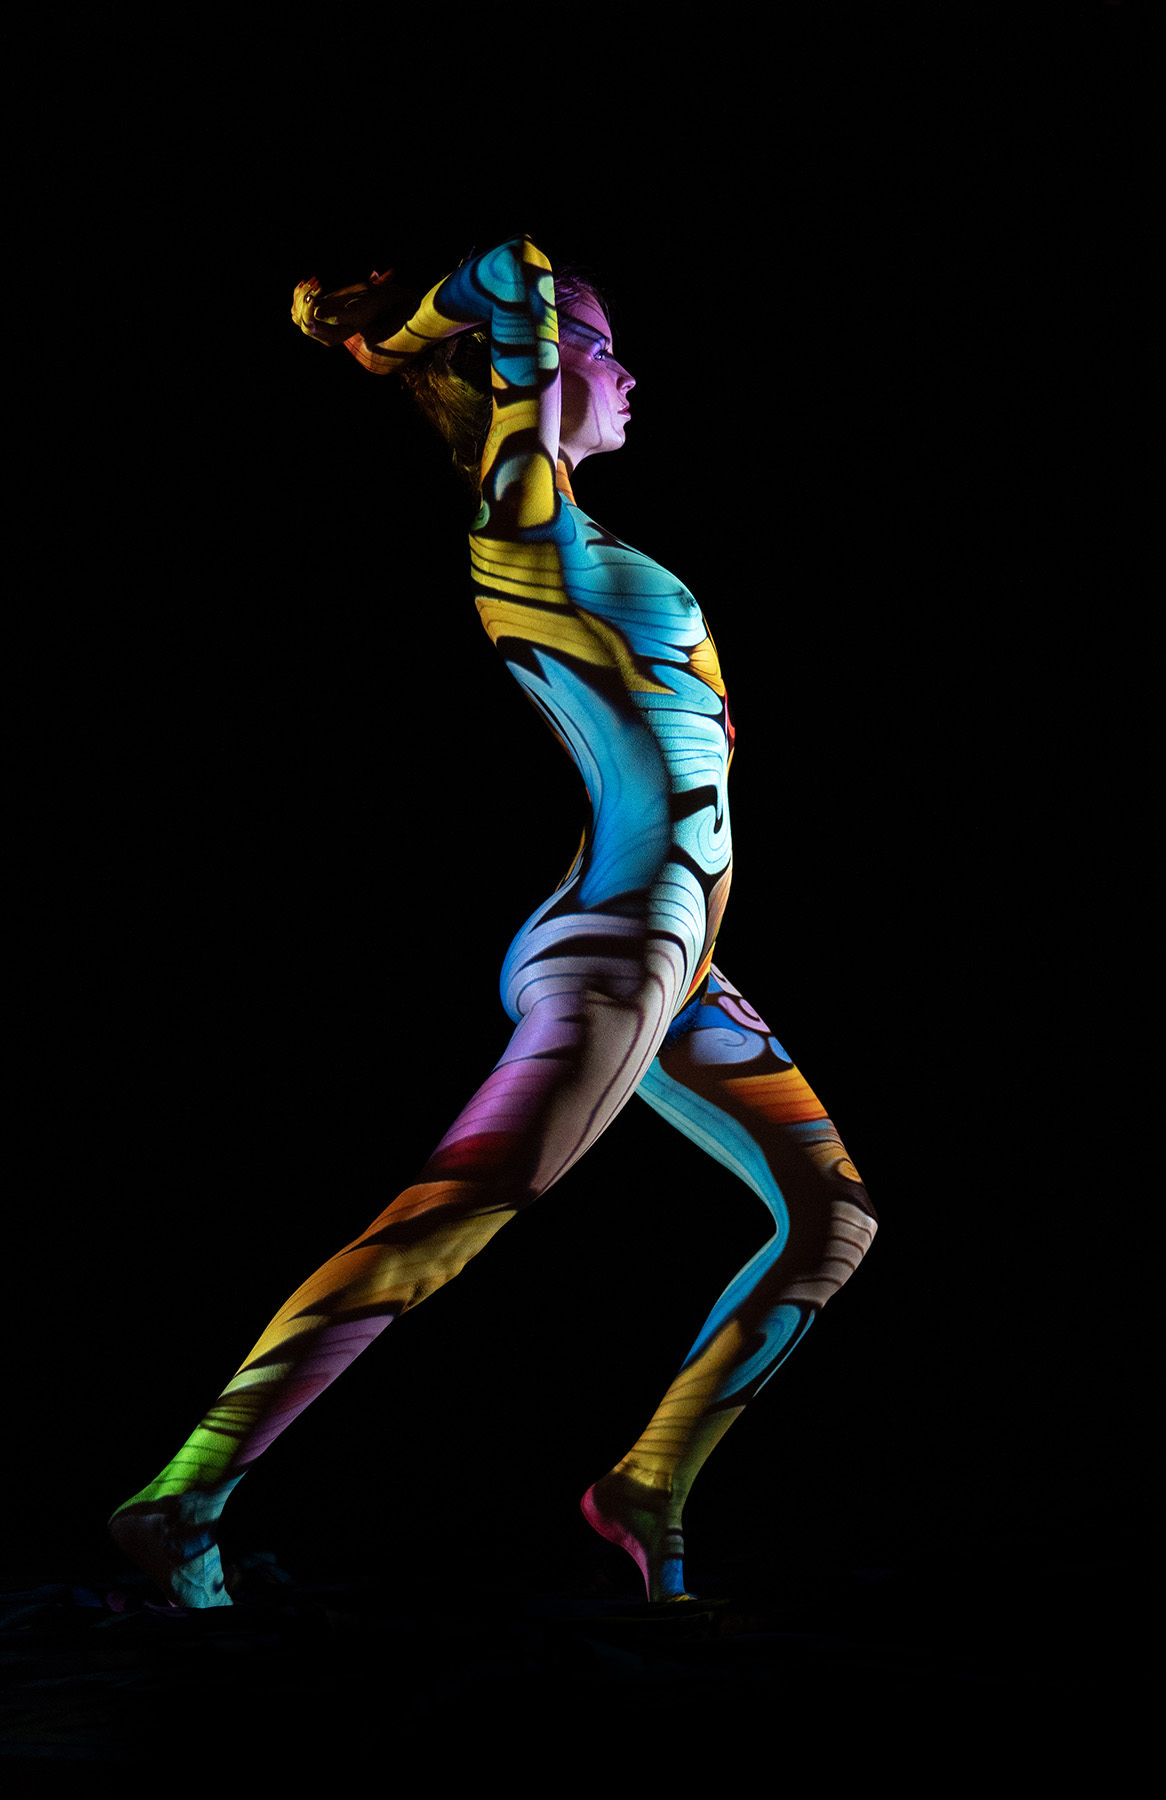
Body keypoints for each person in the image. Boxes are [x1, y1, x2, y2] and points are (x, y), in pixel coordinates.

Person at [108, 235, 876, 1609]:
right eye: (603, 348)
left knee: (832, 1215)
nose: (628, 374)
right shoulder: (527, 523)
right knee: (452, 1215)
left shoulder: (579, 532)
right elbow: (516, 263)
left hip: (669, 955)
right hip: (623, 946)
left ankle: (647, 1485)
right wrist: (390, 339)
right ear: (532, 365)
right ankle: (185, 1496)